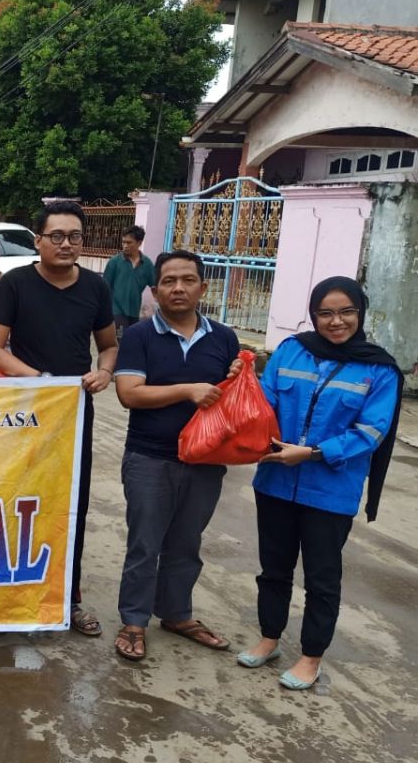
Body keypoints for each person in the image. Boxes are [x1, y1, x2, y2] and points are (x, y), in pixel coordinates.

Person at [238, 276, 402, 690]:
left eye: (346, 311)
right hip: (275, 481)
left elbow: (371, 432)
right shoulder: (293, 350)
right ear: (314, 314)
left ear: (360, 313)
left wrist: (311, 453)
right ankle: (269, 638)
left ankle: (311, 657)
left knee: (321, 579)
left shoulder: (379, 369)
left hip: (330, 491)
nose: (336, 321)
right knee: (273, 569)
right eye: (326, 313)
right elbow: (266, 400)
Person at [0, 200, 118, 637]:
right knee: (18, 497)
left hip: (75, 412)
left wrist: (104, 372)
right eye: (56, 236)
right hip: (25, 410)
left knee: (70, 501)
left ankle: (68, 597)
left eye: (74, 237)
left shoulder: (96, 288)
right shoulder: (16, 284)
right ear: (37, 241)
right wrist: (41, 380)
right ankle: (11, 592)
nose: (66, 244)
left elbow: (109, 345)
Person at [112, 250, 242, 661]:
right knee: (145, 544)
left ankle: (176, 613)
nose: (179, 288)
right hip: (151, 457)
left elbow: (231, 400)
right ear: (156, 290)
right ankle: (134, 620)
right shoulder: (139, 336)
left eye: (188, 280)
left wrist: (238, 381)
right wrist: (188, 390)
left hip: (205, 460)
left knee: (187, 542)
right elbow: (129, 393)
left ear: (203, 287)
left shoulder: (224, 338)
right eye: (169, 281)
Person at [102, 225, 156, 339]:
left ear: (139, 243)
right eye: (123, 242)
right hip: (116, 312)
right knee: (120, 342)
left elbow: (156, 286)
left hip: (134, 313)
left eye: (129, 243)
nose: (125, 246)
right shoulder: (114, 262)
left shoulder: (147, 264)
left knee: (131, 342)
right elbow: (104, 288)